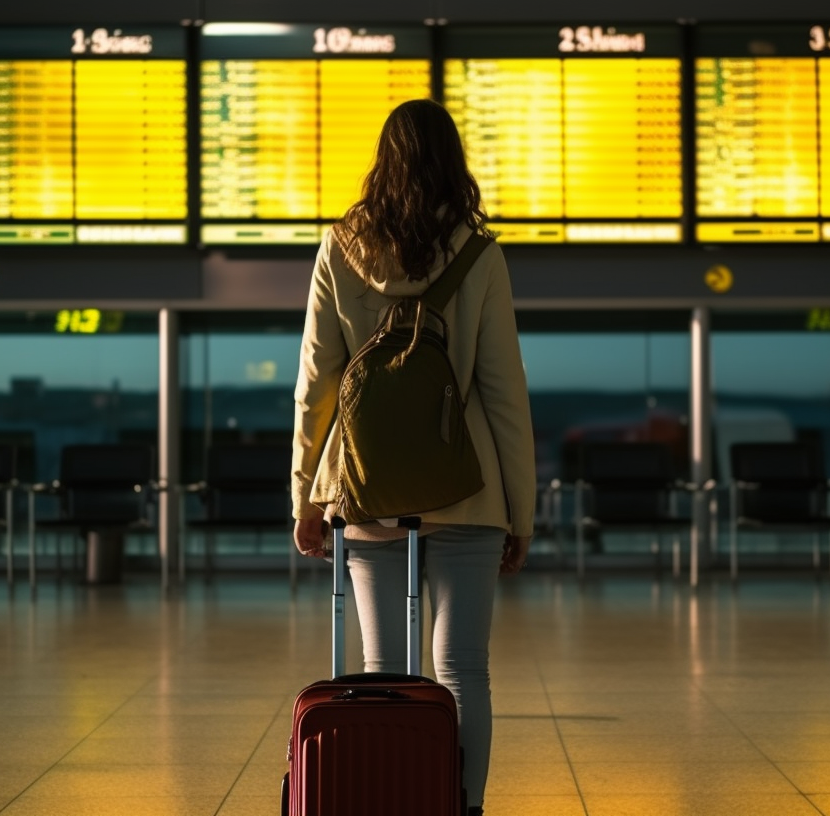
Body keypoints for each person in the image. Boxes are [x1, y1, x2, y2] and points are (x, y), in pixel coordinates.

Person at [290, 98, 536, 816]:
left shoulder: (340, 247)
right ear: (453, 163)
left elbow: (317, 385)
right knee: (463, 671)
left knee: (383, 671)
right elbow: (504, 394)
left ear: (382, 162)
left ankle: (387, 802)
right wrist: (519, 511)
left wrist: (305, 494)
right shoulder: (479, 254)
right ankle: (461, 807)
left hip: (366, 495)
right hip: (468, 491)